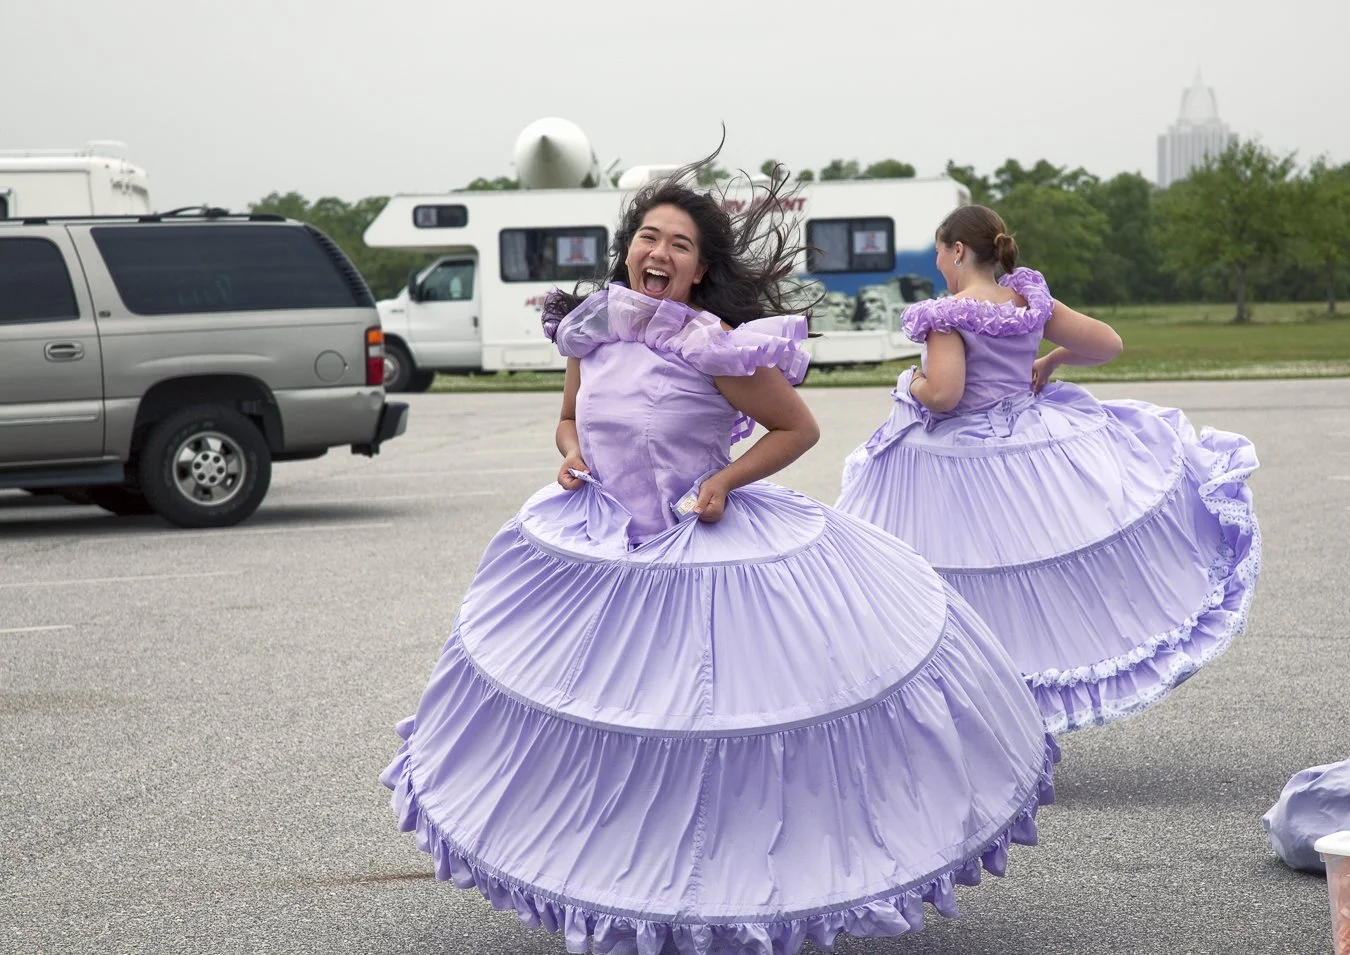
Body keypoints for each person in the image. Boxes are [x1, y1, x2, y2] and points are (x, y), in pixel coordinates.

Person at [381, 162, 1056, 955]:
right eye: (648, 236)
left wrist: (723, 481)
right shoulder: (589, 328)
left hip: (694, 553)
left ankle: (721, 890)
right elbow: (570, 417)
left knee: (703, 732)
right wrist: (570, 455)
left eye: (679, 243)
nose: (658, 251)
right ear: (628, 249)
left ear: (701, 268)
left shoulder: (714, 345)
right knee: (611, 725)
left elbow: (795, 430)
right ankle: (623, 883)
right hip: (598, 546)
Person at [836, 204, 1261, 735]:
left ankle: (977, 703)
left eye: (942, 253)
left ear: (959, 251)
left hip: (966, 458)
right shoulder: (1028, 300)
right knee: (1031, 566)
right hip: (1031, 443)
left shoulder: (947, 314)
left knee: (963, 571)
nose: (941, 265)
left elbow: (945, 396)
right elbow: (1108, 345)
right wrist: (1051, 359)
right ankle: (1027, 687)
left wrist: (909, 384)